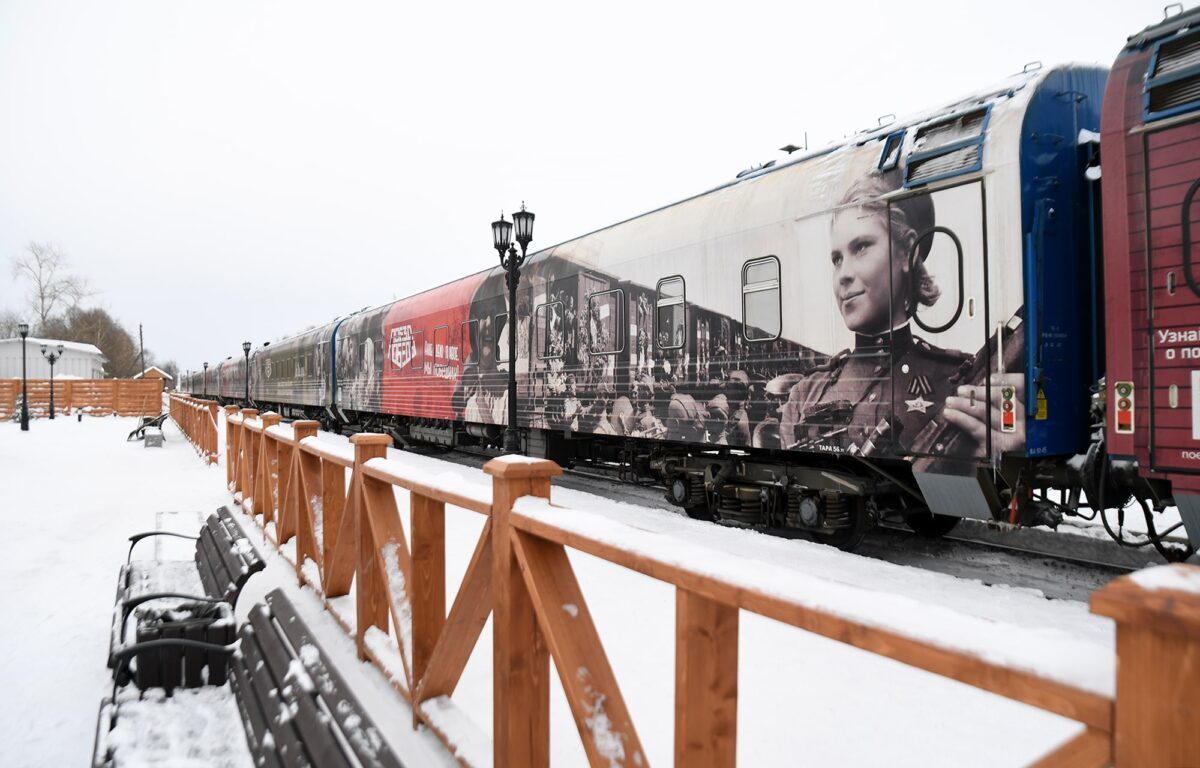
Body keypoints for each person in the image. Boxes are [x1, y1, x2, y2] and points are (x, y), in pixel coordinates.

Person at [778, 168, 1014, 460]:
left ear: (907, 253)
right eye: (837, 259)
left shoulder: (958, 379)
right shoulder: (806, 394)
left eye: (861, 247)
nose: (843, 275)